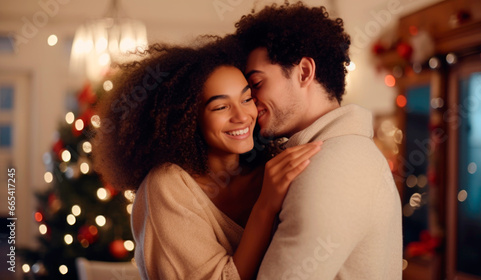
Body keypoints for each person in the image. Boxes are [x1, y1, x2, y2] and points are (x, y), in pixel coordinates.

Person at [92, 37, 322, 280]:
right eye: (221, 107)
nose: (242, 117)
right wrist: (265, 207)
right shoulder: (168, 186)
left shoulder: (272, 168)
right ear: (189, 119)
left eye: (246, 99)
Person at [234, 2, 403, 279]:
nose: (249, 101)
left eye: (257, 83)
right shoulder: (341, 152)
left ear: (303, 72)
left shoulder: (330, 166)